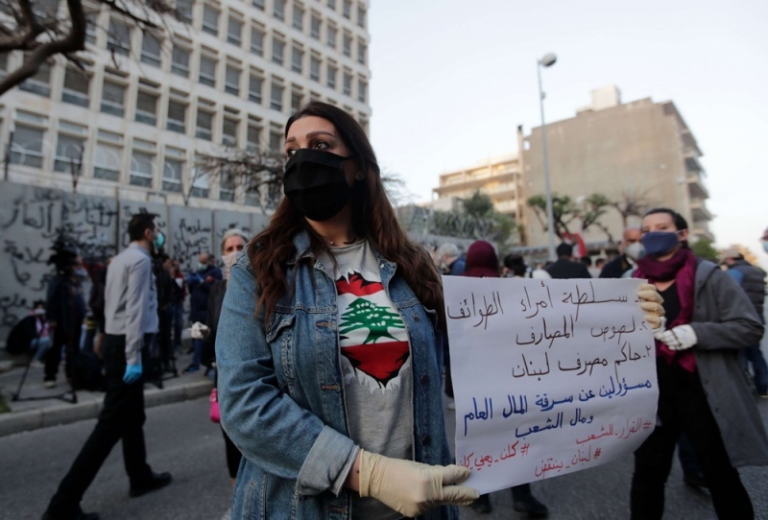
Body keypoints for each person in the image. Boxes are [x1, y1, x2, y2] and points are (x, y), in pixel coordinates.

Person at [216, 102, 479, 520]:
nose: (302, 159)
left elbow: (468, 359)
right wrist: (370, 474)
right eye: (291, 151)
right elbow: (243, 402)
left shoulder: (414, 265)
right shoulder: (258, 268)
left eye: (320, 145)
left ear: (357, 166)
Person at [629, 208, 768, 520]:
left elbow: (749, 327)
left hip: (703, 394)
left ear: (682, 234)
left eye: (662, 227)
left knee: (720, 474)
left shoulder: (710, 276)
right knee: (648, 476)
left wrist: (697, 333)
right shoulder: (631, 282)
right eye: (646, 229)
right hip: (652, 398)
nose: (652, 234)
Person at [43, 213, 172, 520]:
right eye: (157, 230)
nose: (160, 235)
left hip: (116, 341)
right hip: (128, 346)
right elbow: (134, 312)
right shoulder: (140, 261)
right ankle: (63, 503)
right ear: (147, 233)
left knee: (133, 416)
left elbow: (111, 304)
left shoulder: (119, 260)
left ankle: (139, 475)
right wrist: (133, 358)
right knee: (110, 424)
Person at [462, 241, 549, 518]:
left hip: (472, 380)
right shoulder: (509, 290)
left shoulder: (456, 292)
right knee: (516, 435)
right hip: (510, 378)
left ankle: (480, 497)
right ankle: (522, 496)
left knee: (478, 437)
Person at [192, 228, 249, 487]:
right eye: (229, 249)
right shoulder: (217, 290)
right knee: (230, 437)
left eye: (240, 247)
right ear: (222, 254)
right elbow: (213, 328)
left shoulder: (261, 283)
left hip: (255, 373)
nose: (235, 253)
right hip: (225, 374)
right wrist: (204, 334)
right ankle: (237, 497)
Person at [720, 246, 768, 397]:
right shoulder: (755, 271)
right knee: (755, 353)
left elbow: (726, 293)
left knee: (740, 355)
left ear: (730, 259)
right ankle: (763, 386)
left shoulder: (735, 272)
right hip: (756, 319)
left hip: (739, 319)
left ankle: (744, 388)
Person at [44, 239, 87, 388]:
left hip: (75, 321)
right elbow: (51, 300)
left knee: (74, 349)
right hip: (61, 322)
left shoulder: (76, 282)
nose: (80, 268)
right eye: (77, 265)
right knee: (56, 349)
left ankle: (71, 375)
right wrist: (51, 319)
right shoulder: (58, 282)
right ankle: (50, 376)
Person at [185, 251, 222, 373]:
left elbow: (215, 289)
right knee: (197, 337)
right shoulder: (198, 273)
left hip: (207, 311)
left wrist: (202, 283)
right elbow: (193, 290)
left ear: (209, 261)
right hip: (196, 311)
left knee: (205, 338)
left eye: (204, 261)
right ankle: (197, 362)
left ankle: (206, 363)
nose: (201, 263)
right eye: (200, 261)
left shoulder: (215, 272)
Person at [169, 259, 187, 353]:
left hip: (178, 303)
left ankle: (177, 343)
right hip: (171, 303)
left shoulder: (180, 275)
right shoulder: (169, 275)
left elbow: (183, 288)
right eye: (174, 265)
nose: (176, 267)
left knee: (178, 324)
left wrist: (182, 298)